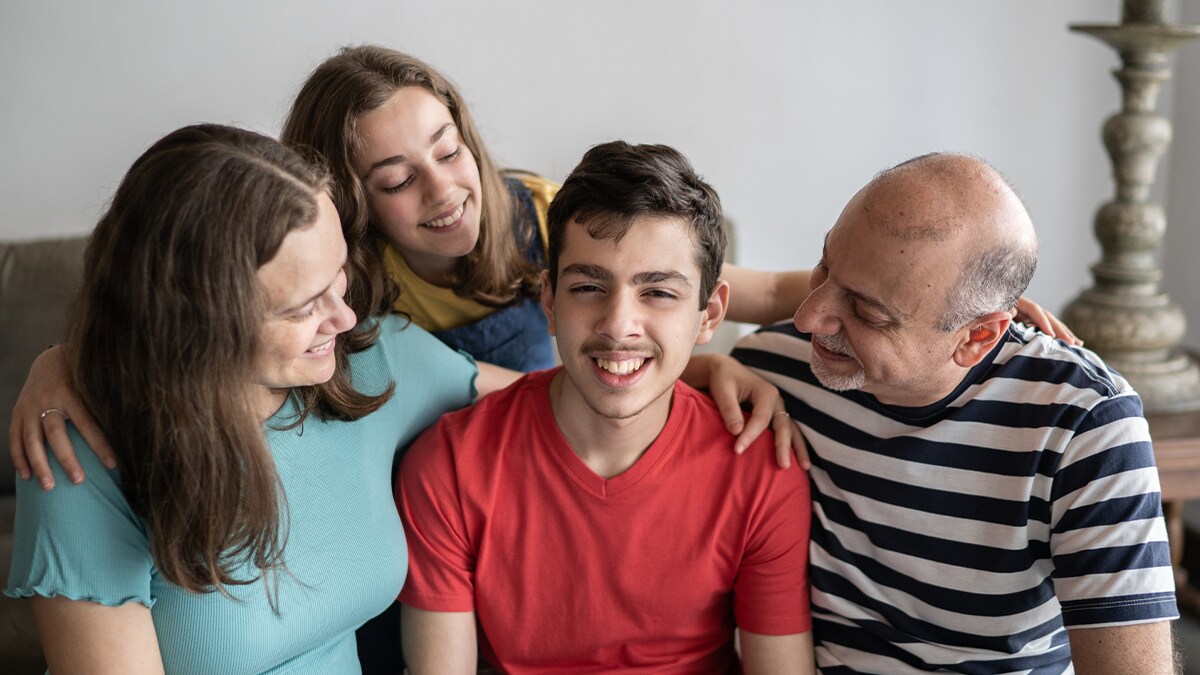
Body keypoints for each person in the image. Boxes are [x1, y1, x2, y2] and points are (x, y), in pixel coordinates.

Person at [4, 124, 479, 672]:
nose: (344, 318)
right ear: (198, 326)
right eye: (302, 308)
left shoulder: (367, 359)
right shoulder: (81, 450)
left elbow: (559, 402)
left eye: (339, 273)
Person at [689, 152, 1180, 673]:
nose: (810, 318)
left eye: (867, 311)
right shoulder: (774, 372)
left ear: (978, 336)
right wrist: (693, 373)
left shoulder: (1083, 423)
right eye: (824, 267)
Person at [398, 141, 814, 673]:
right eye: (590, 286)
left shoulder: (761, 467)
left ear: (709, 314)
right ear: (550, 301)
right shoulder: (447, 468)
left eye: (658, 293)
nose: (619, 325)